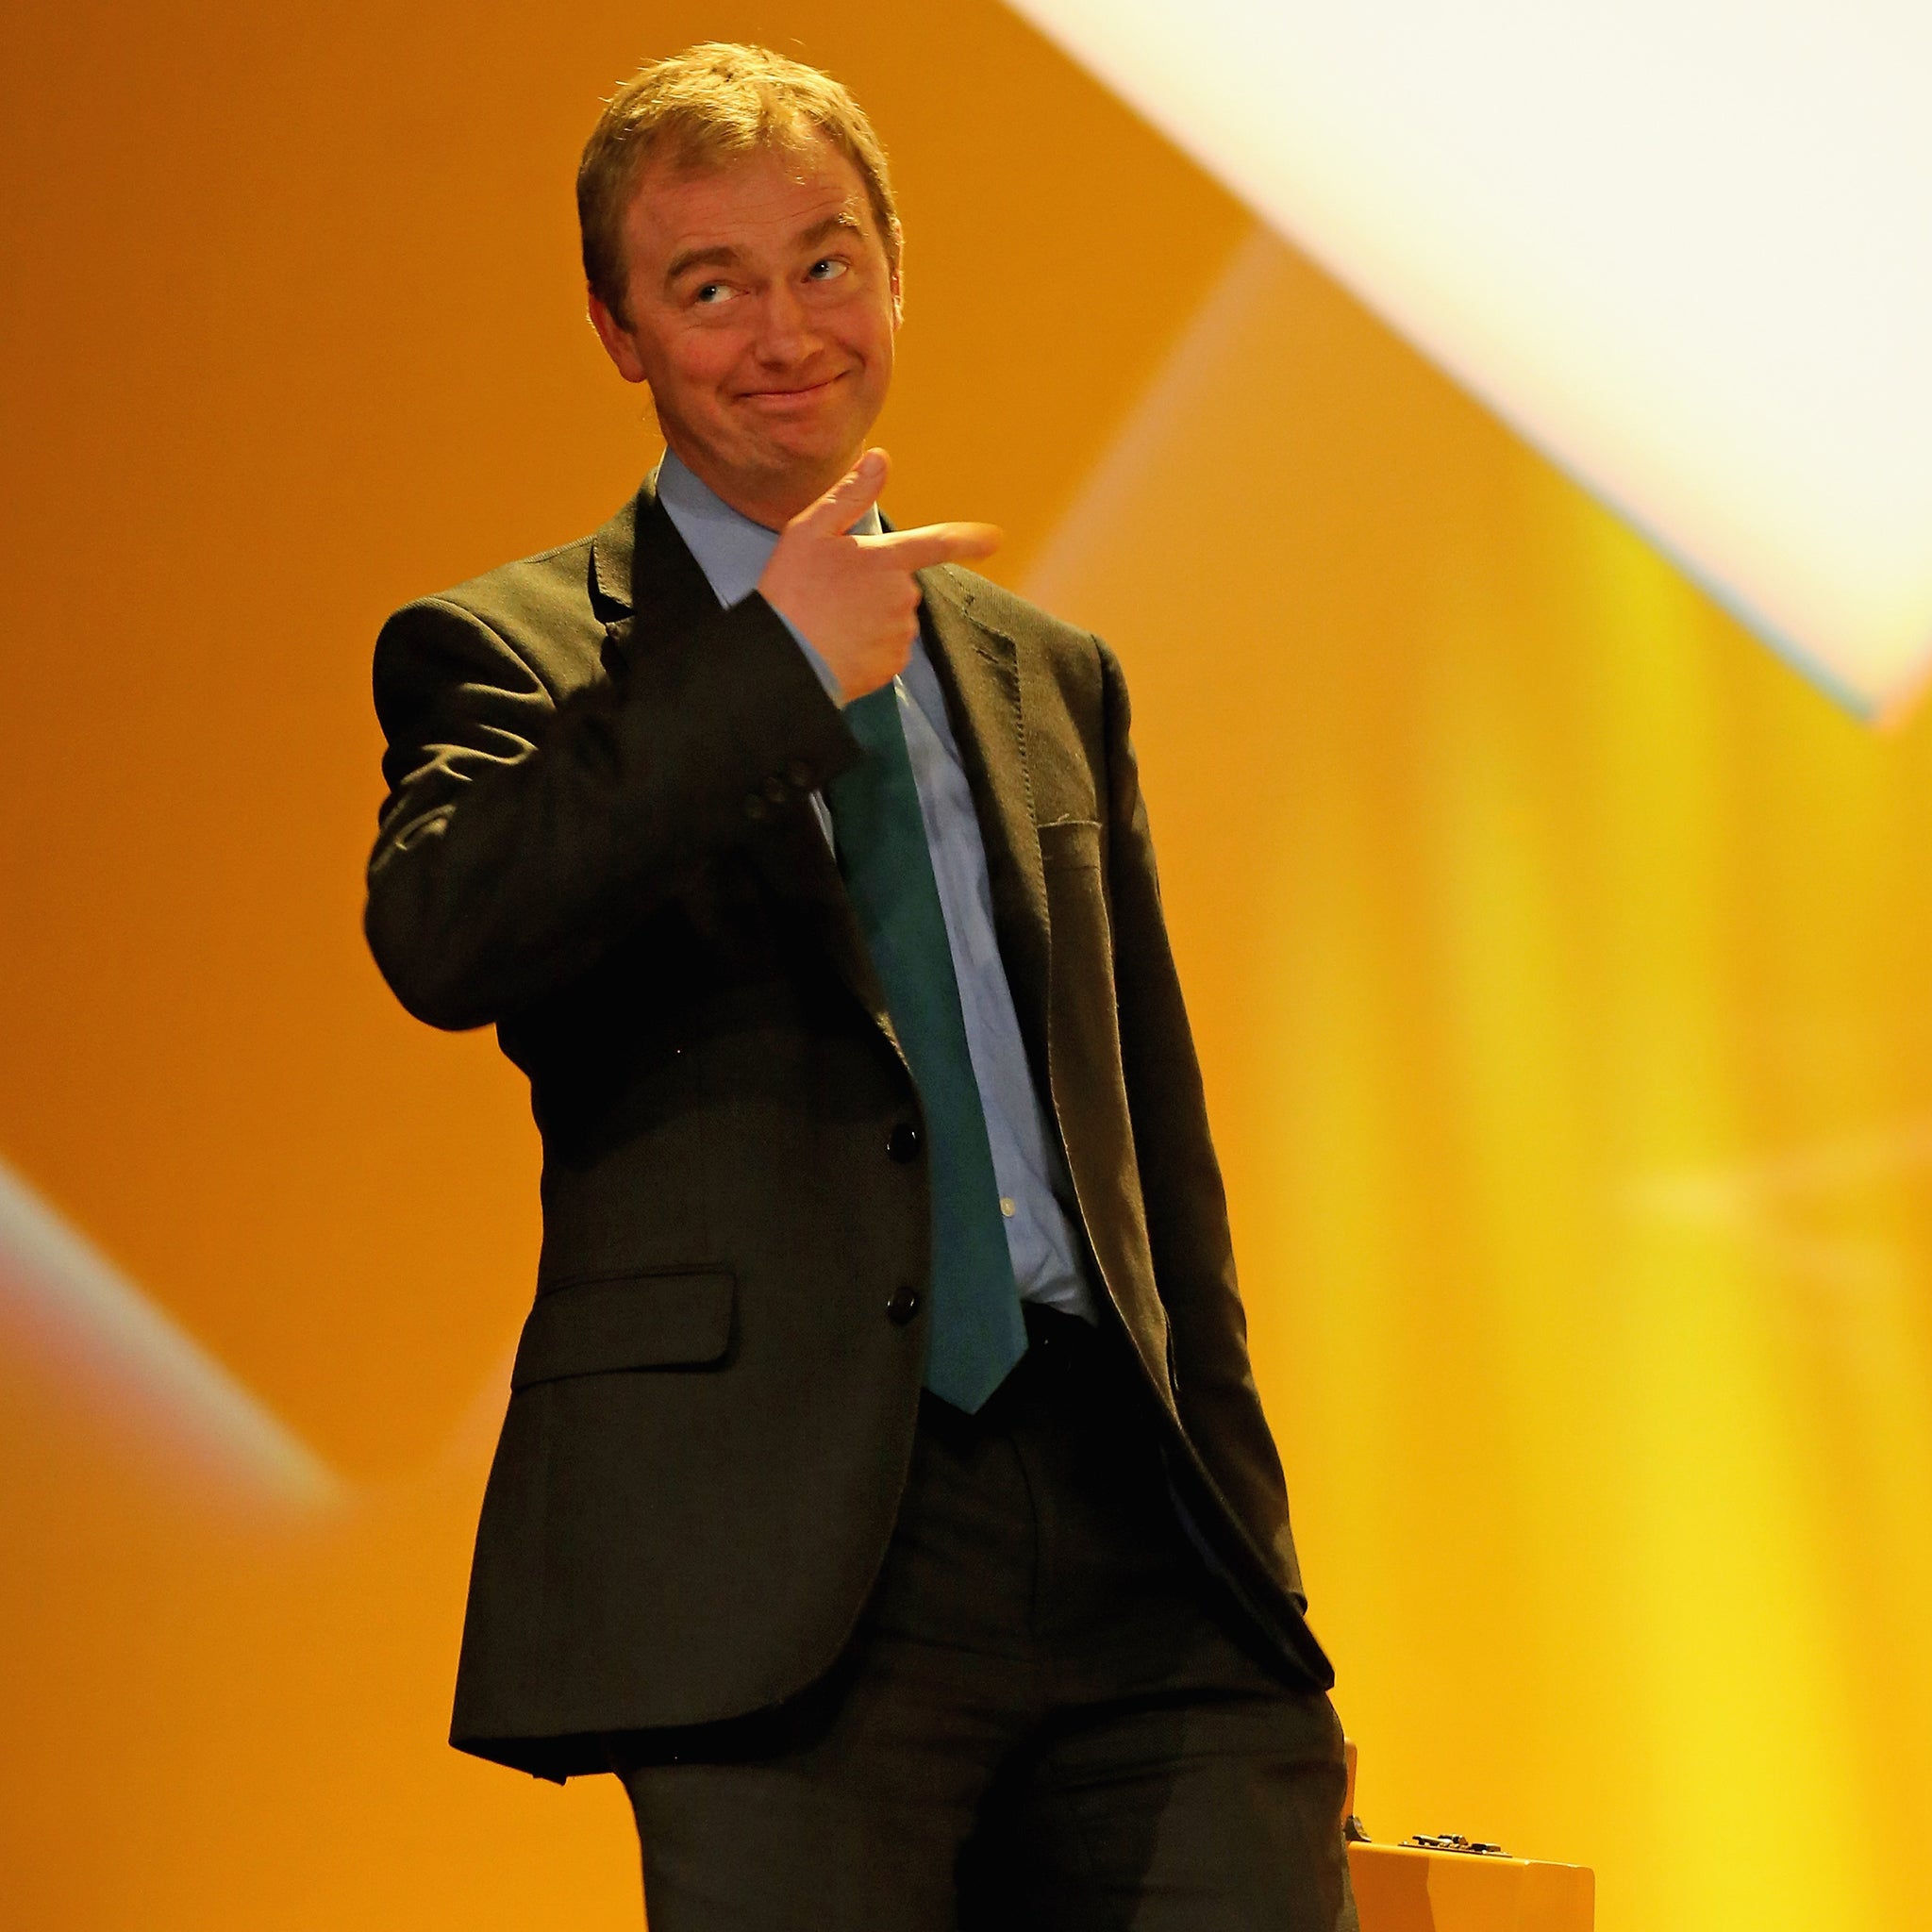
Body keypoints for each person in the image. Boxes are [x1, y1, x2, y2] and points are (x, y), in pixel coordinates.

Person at [365, 41, 1357, 1932]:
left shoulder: (1045, 670)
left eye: (824, 264)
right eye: (707, 285)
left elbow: (1155, 1158)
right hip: (792, 1558)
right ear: (618, 331)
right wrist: (765, 673)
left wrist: (1255, 1562)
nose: (781, 329)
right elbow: (443, 928)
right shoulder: (511, 651)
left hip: (1134, 1534)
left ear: (896, 274)